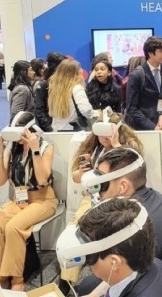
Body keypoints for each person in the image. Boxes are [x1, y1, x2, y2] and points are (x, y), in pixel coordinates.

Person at [71, 148, 162, 297]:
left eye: (102, 184)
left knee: (91, 290)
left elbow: (128, 275)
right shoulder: (146, 200)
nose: (98, 192)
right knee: (88, 285)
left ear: (123, 186)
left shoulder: (140, 223)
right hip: (154, 273)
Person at [60, 114, 144, 285]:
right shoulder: (94, 149)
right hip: (91, 199)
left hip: (117, 198)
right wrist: (87, 171)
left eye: (107, 133)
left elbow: (134, 170)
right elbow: (76, 177)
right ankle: (66, 281)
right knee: (78, 232)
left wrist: (116, 146)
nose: (103, 138)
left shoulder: (128, 148)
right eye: (100, 133)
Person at [0, 112, 58, 297]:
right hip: (19, 200)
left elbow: (41, 179)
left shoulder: (46, 147)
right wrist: (1, 152)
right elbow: (0, 181)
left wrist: (34, 149)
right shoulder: (13, 149)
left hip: (43, 200)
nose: (19, 138)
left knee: (13, 227)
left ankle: (17, 280)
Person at [124, 36, 162, 133]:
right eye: (161, 51)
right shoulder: (137, 75)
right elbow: (131, 108)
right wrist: (152, 127)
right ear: (150, 53)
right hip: (145, 130)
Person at [48, 59, 93, 131]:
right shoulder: (77, 88)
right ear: (75, 73)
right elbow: (86, 110)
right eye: (79, 69)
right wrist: (94, 115)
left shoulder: (55, 89)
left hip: (57, 130)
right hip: (75, 130)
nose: (81, 70)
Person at [33, 52, 65, 132]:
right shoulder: (43, 85)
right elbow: (40, 110)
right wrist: (49, 128)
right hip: (50, 128)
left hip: (64, 125)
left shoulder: (65, 84)